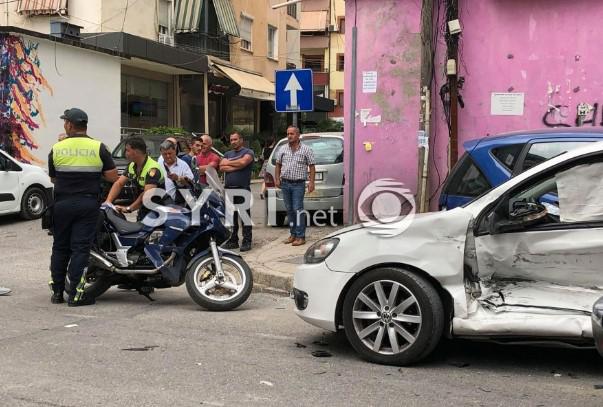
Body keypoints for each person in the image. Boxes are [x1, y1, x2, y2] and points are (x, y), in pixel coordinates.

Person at [48, 108, 118, 306]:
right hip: (87, 204)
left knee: (60, 247)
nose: (64, 125)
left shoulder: (57, 148)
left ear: (70, 125)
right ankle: (76, 296)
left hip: (62, 204)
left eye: (65, 122)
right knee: (80, 249)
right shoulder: (98, 147)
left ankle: (57, 293)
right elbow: (113, 176)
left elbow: (53, 178)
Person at [104, 136, 165, 221]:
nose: (125, 153)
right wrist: (108, 202)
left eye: (127, 150)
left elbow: (147, 195)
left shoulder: (153, 169)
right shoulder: (132, 165)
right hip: (144, 209)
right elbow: (119, 183)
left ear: (136, 152)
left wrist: (129, 208)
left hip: (157, 210)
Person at [275, 125, 316, 246]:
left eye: (292, 134)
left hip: (298, 184)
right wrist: (277, 178)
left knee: (297, 209)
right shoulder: (283, 148)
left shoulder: (306, 149)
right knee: (289, 210)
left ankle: (300, 236)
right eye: (288, 134)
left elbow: (312, 166)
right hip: (285, 183)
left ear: (298, 135)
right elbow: (278, 164)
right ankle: (292, 234)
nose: (289, 136)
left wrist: (311, 182)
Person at [219, 132, 255, 252]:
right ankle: (233, 240)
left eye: (235, 139)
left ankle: (247, 241)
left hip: (242, 188)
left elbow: (243, 162)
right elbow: (221, 167)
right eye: (231, 140)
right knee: (231, 218)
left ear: (241, 140)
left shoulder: (248, 152)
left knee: (244, 217)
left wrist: (229, 163)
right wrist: (237, 165)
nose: (233, 142)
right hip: (229, 189)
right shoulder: (227, 154)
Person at [157, 140, 194, 205]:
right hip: (161, 203)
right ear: (161, 154)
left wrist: (178, 178)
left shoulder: (183, 165)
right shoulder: (158, 164)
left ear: (174, 151)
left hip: (177, 204)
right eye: (165, 154)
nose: (168, 156)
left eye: (170, 153)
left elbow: (190, 183)